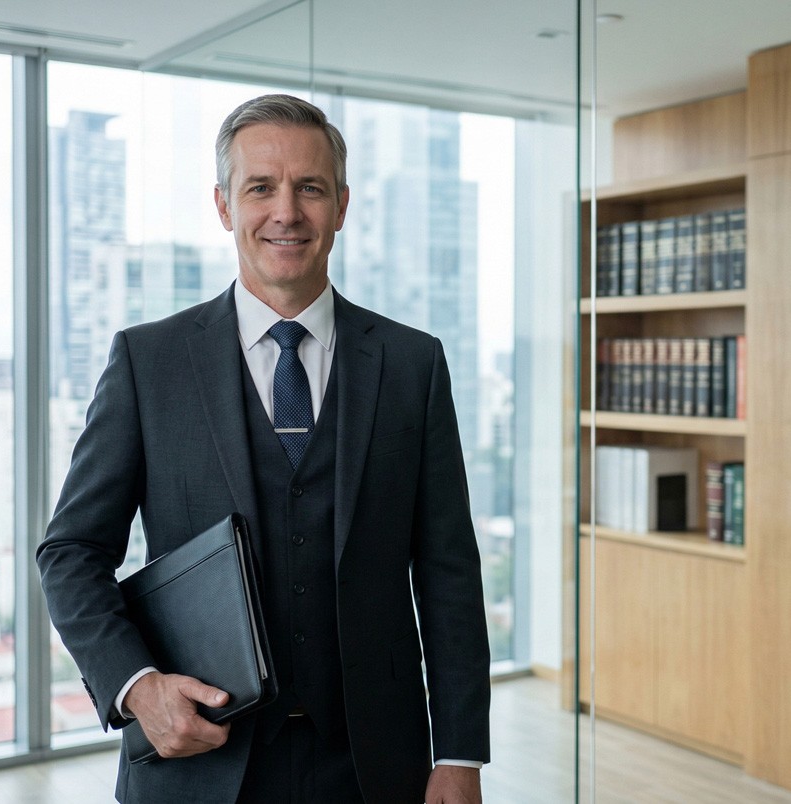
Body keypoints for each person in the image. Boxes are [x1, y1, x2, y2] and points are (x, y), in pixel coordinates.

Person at [37, 94, 490, 803]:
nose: (287, 212)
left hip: (375, 765)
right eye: (261, 188)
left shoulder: (412, 364)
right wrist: (137, 688)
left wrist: (460, 753)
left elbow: (448, 573)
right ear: (224, 206)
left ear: (340, 204)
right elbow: (69, 553)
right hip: (200, 759)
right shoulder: (146, 361)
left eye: (310, 188)